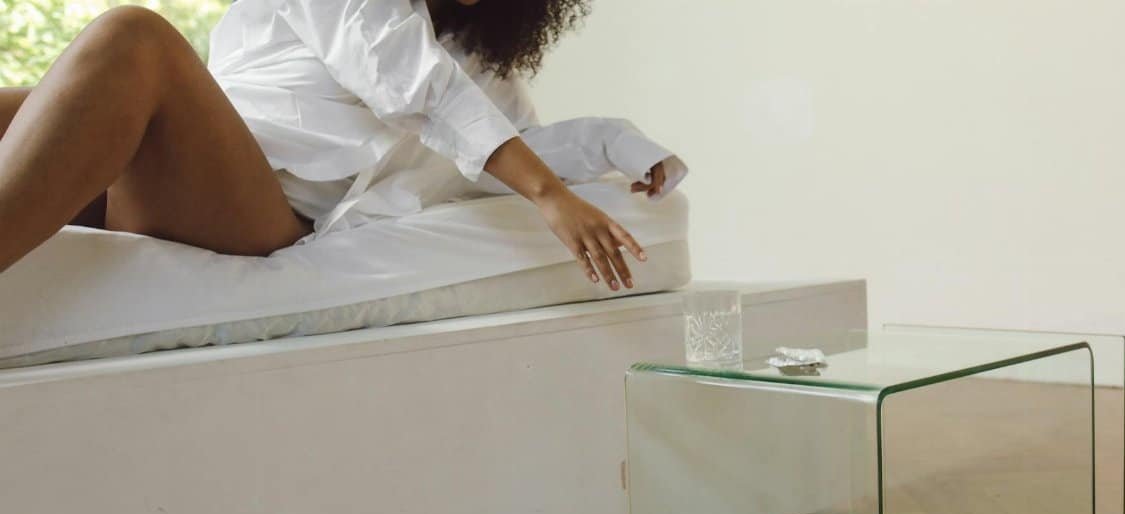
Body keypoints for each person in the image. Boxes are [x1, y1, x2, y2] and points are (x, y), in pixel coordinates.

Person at [0, 0, 686, 291]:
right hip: (170, 167)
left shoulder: (482, 72)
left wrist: (620, 145)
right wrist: (547, 190)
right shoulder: (389, 29)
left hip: (256, 209)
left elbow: (512, 144)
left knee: (134, 39)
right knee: (29, 101)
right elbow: (402, 70)